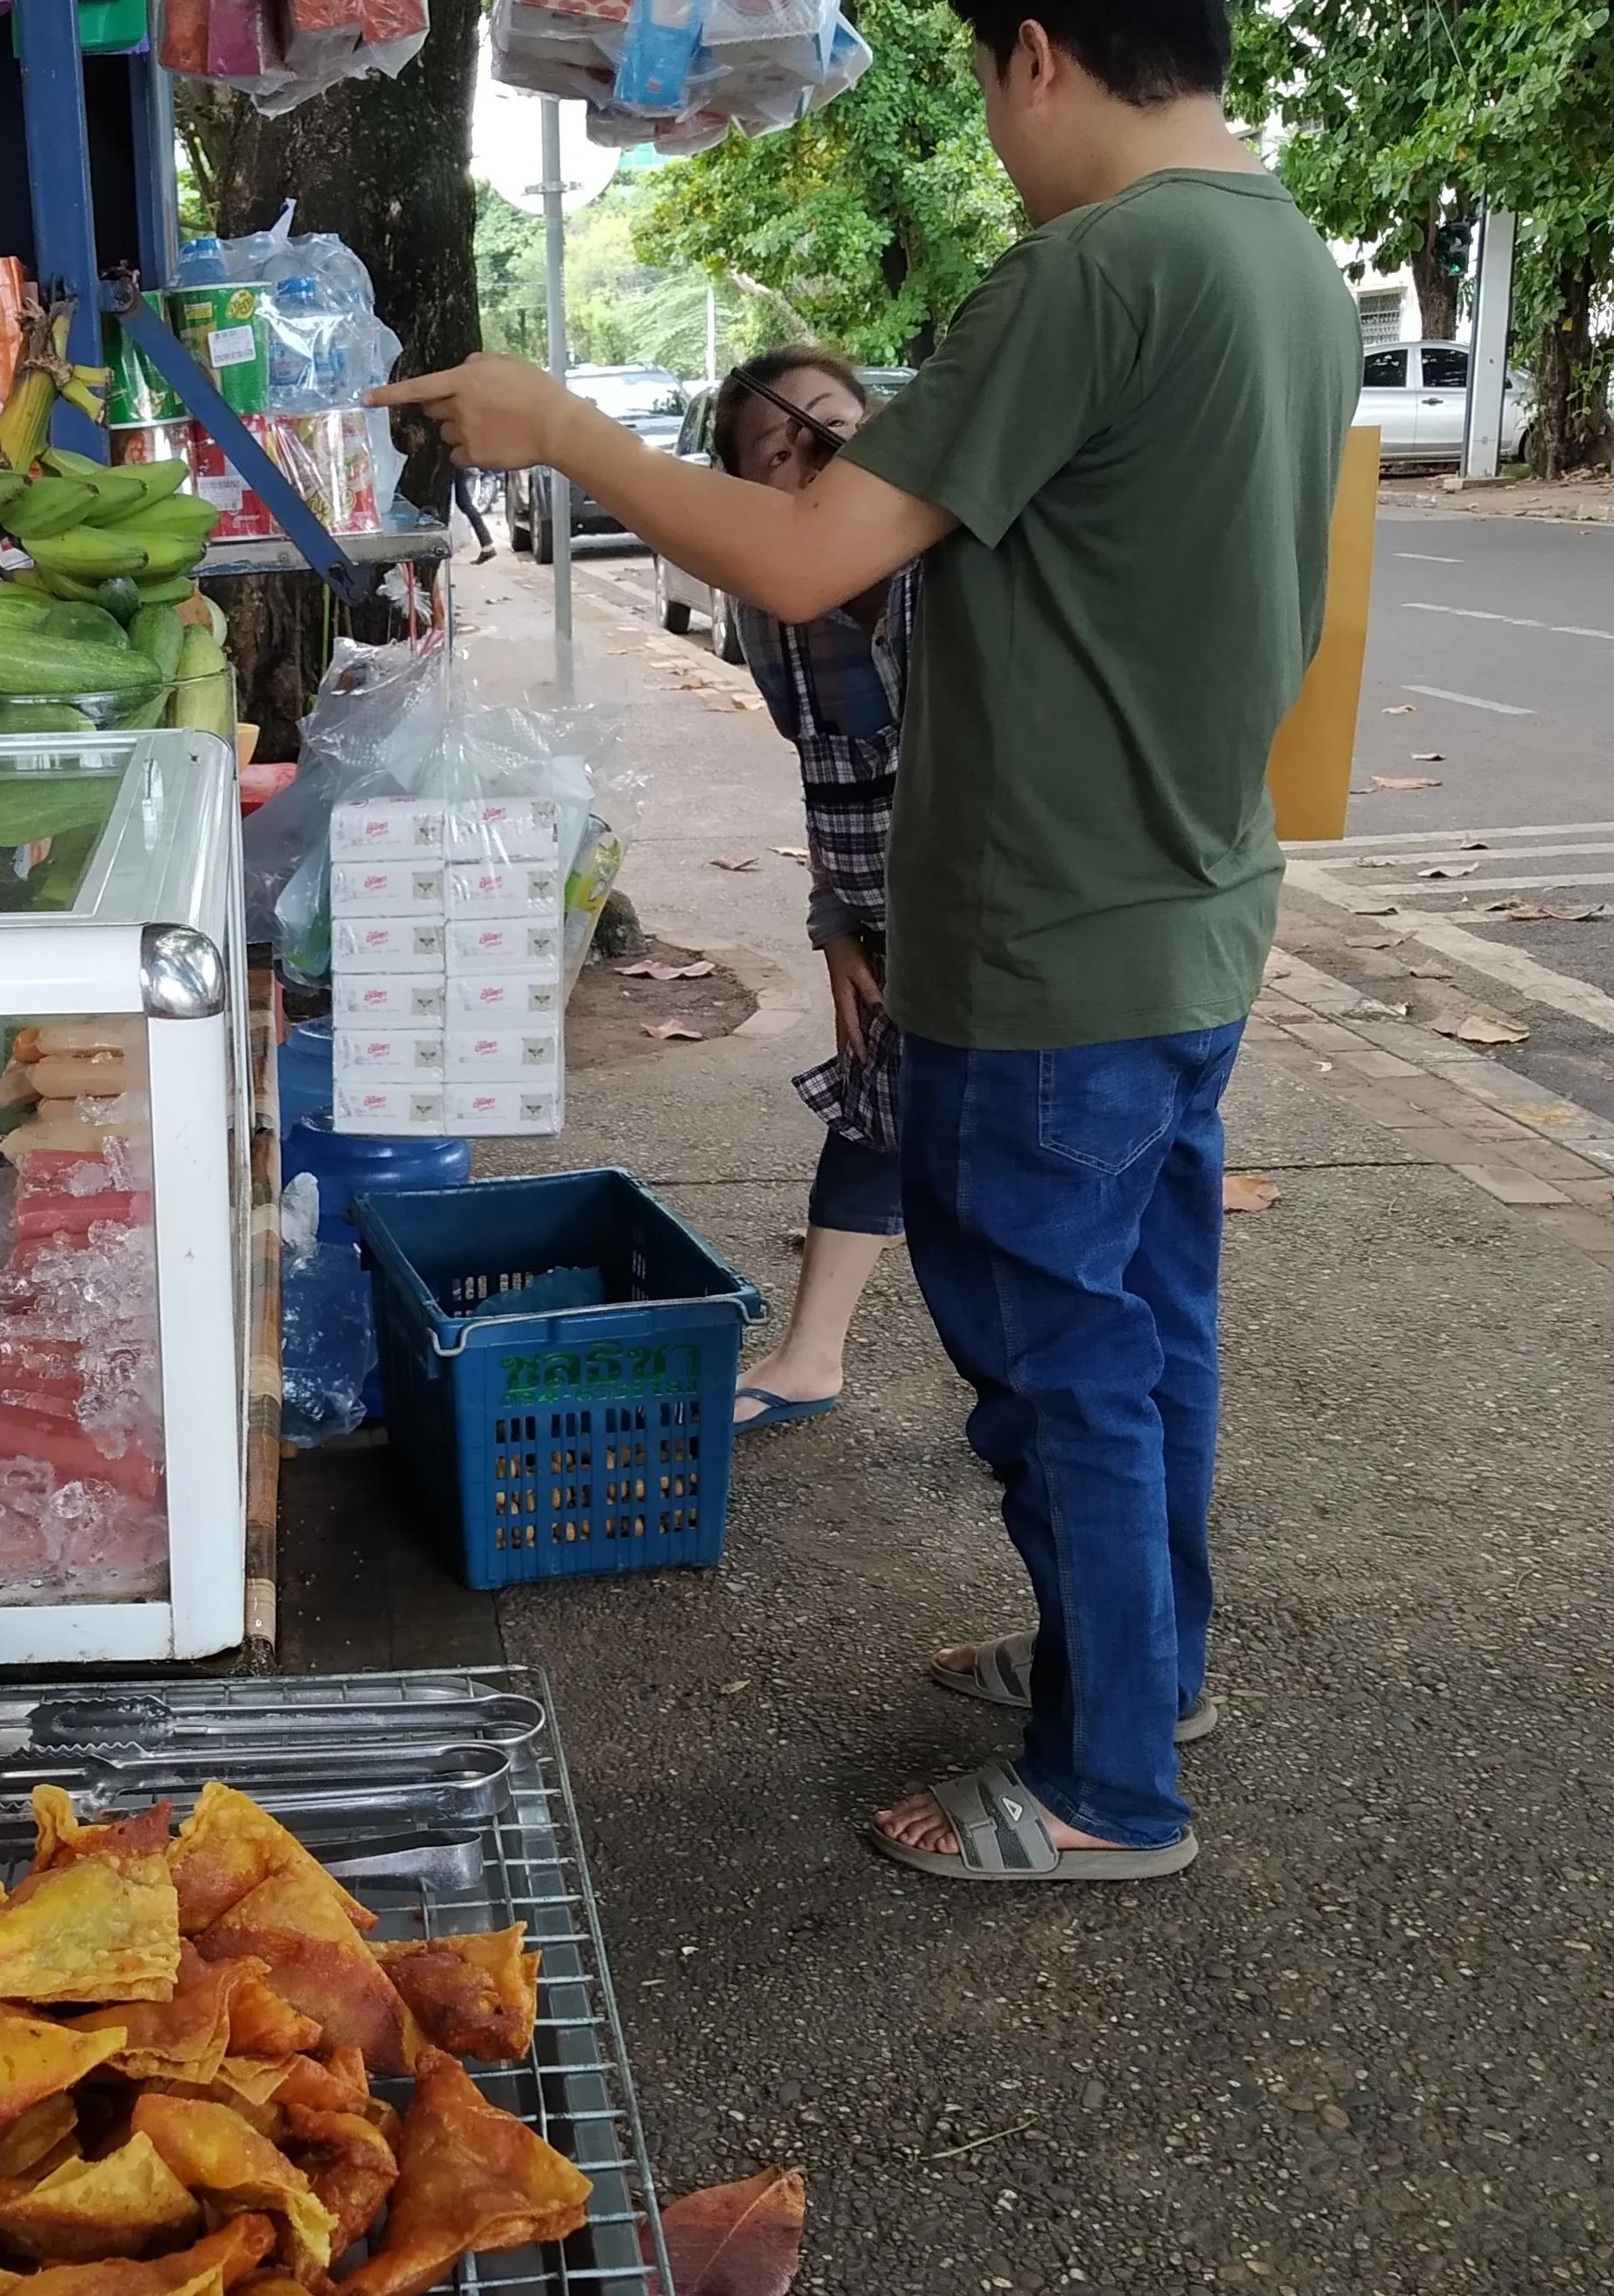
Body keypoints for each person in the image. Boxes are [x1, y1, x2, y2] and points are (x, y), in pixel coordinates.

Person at [378, 0, 1360, 1885]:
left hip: (1047, 943)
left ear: (1042, 56)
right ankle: (1144, 1679)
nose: (997, 133)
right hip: (1185, 913)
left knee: (1058, 1362)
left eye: (993, 87)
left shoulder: (1091, 269)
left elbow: (811, 556)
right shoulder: (1281, 252)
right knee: (1146, 1337)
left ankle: (1105, 1793)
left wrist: (562, 427)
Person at [708, 349, 916, 1437]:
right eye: (779, 454)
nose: (814, 458)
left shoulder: (956, 552)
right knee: (876, 1113)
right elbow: (818, 763)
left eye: (833, 428)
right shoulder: (770, 611)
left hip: (1003, 910)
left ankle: (1054, 1411)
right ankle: (809, 1358)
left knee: (1004, 1155)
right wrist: (838, 926)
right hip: (881, 908)